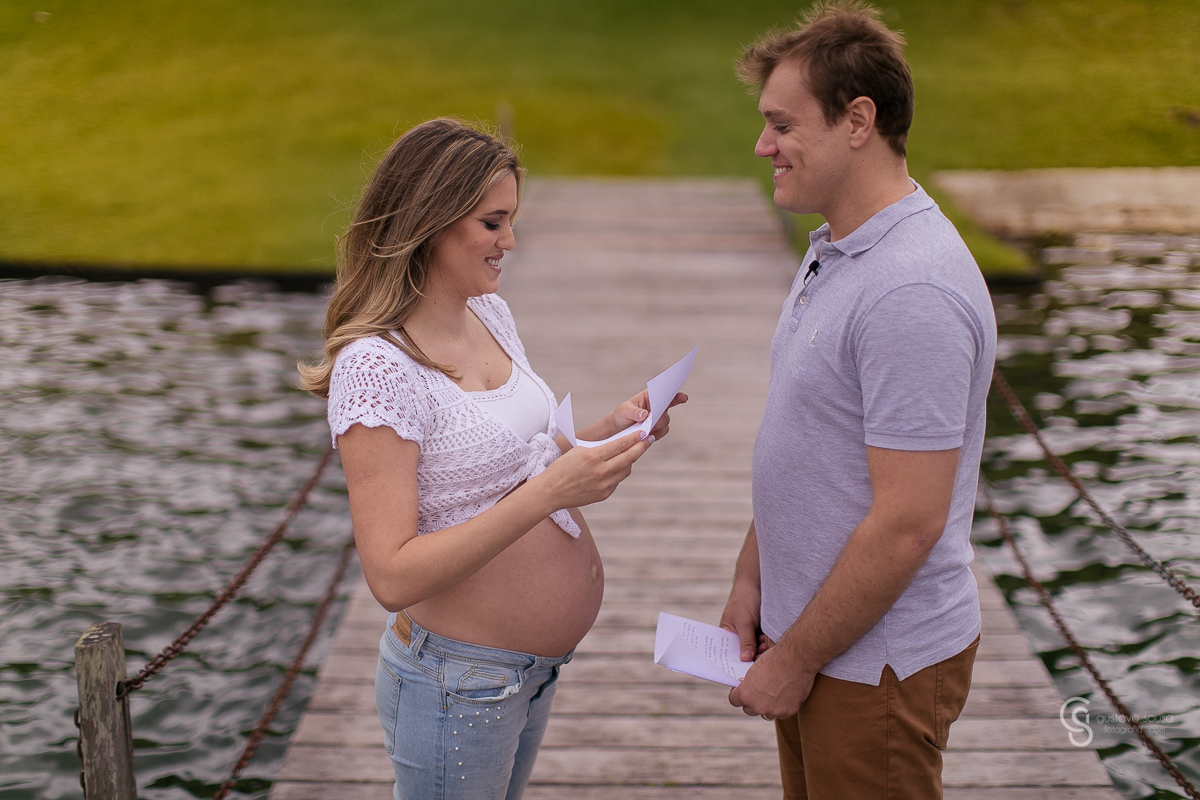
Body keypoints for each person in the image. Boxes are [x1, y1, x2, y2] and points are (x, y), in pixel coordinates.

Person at [299, 118, 684, 800]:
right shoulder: (376, 369)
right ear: (431, 222)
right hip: (458, 682)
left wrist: (606, 433)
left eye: (511, 221)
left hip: (527, 672)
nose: (510, 241)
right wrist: (551, 493)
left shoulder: (489, 314)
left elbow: (511, 464)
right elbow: (391, 575)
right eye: (492, 223)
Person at [717, 3, 998, 798]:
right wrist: (753, 582)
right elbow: (810, 443)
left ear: (858, 121)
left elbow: (910, 522)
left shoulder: (912, 290)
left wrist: (797, 660)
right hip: (813, 642)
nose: (763, 145)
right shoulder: (838, 251)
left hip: (874, 667)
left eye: (783, 125)